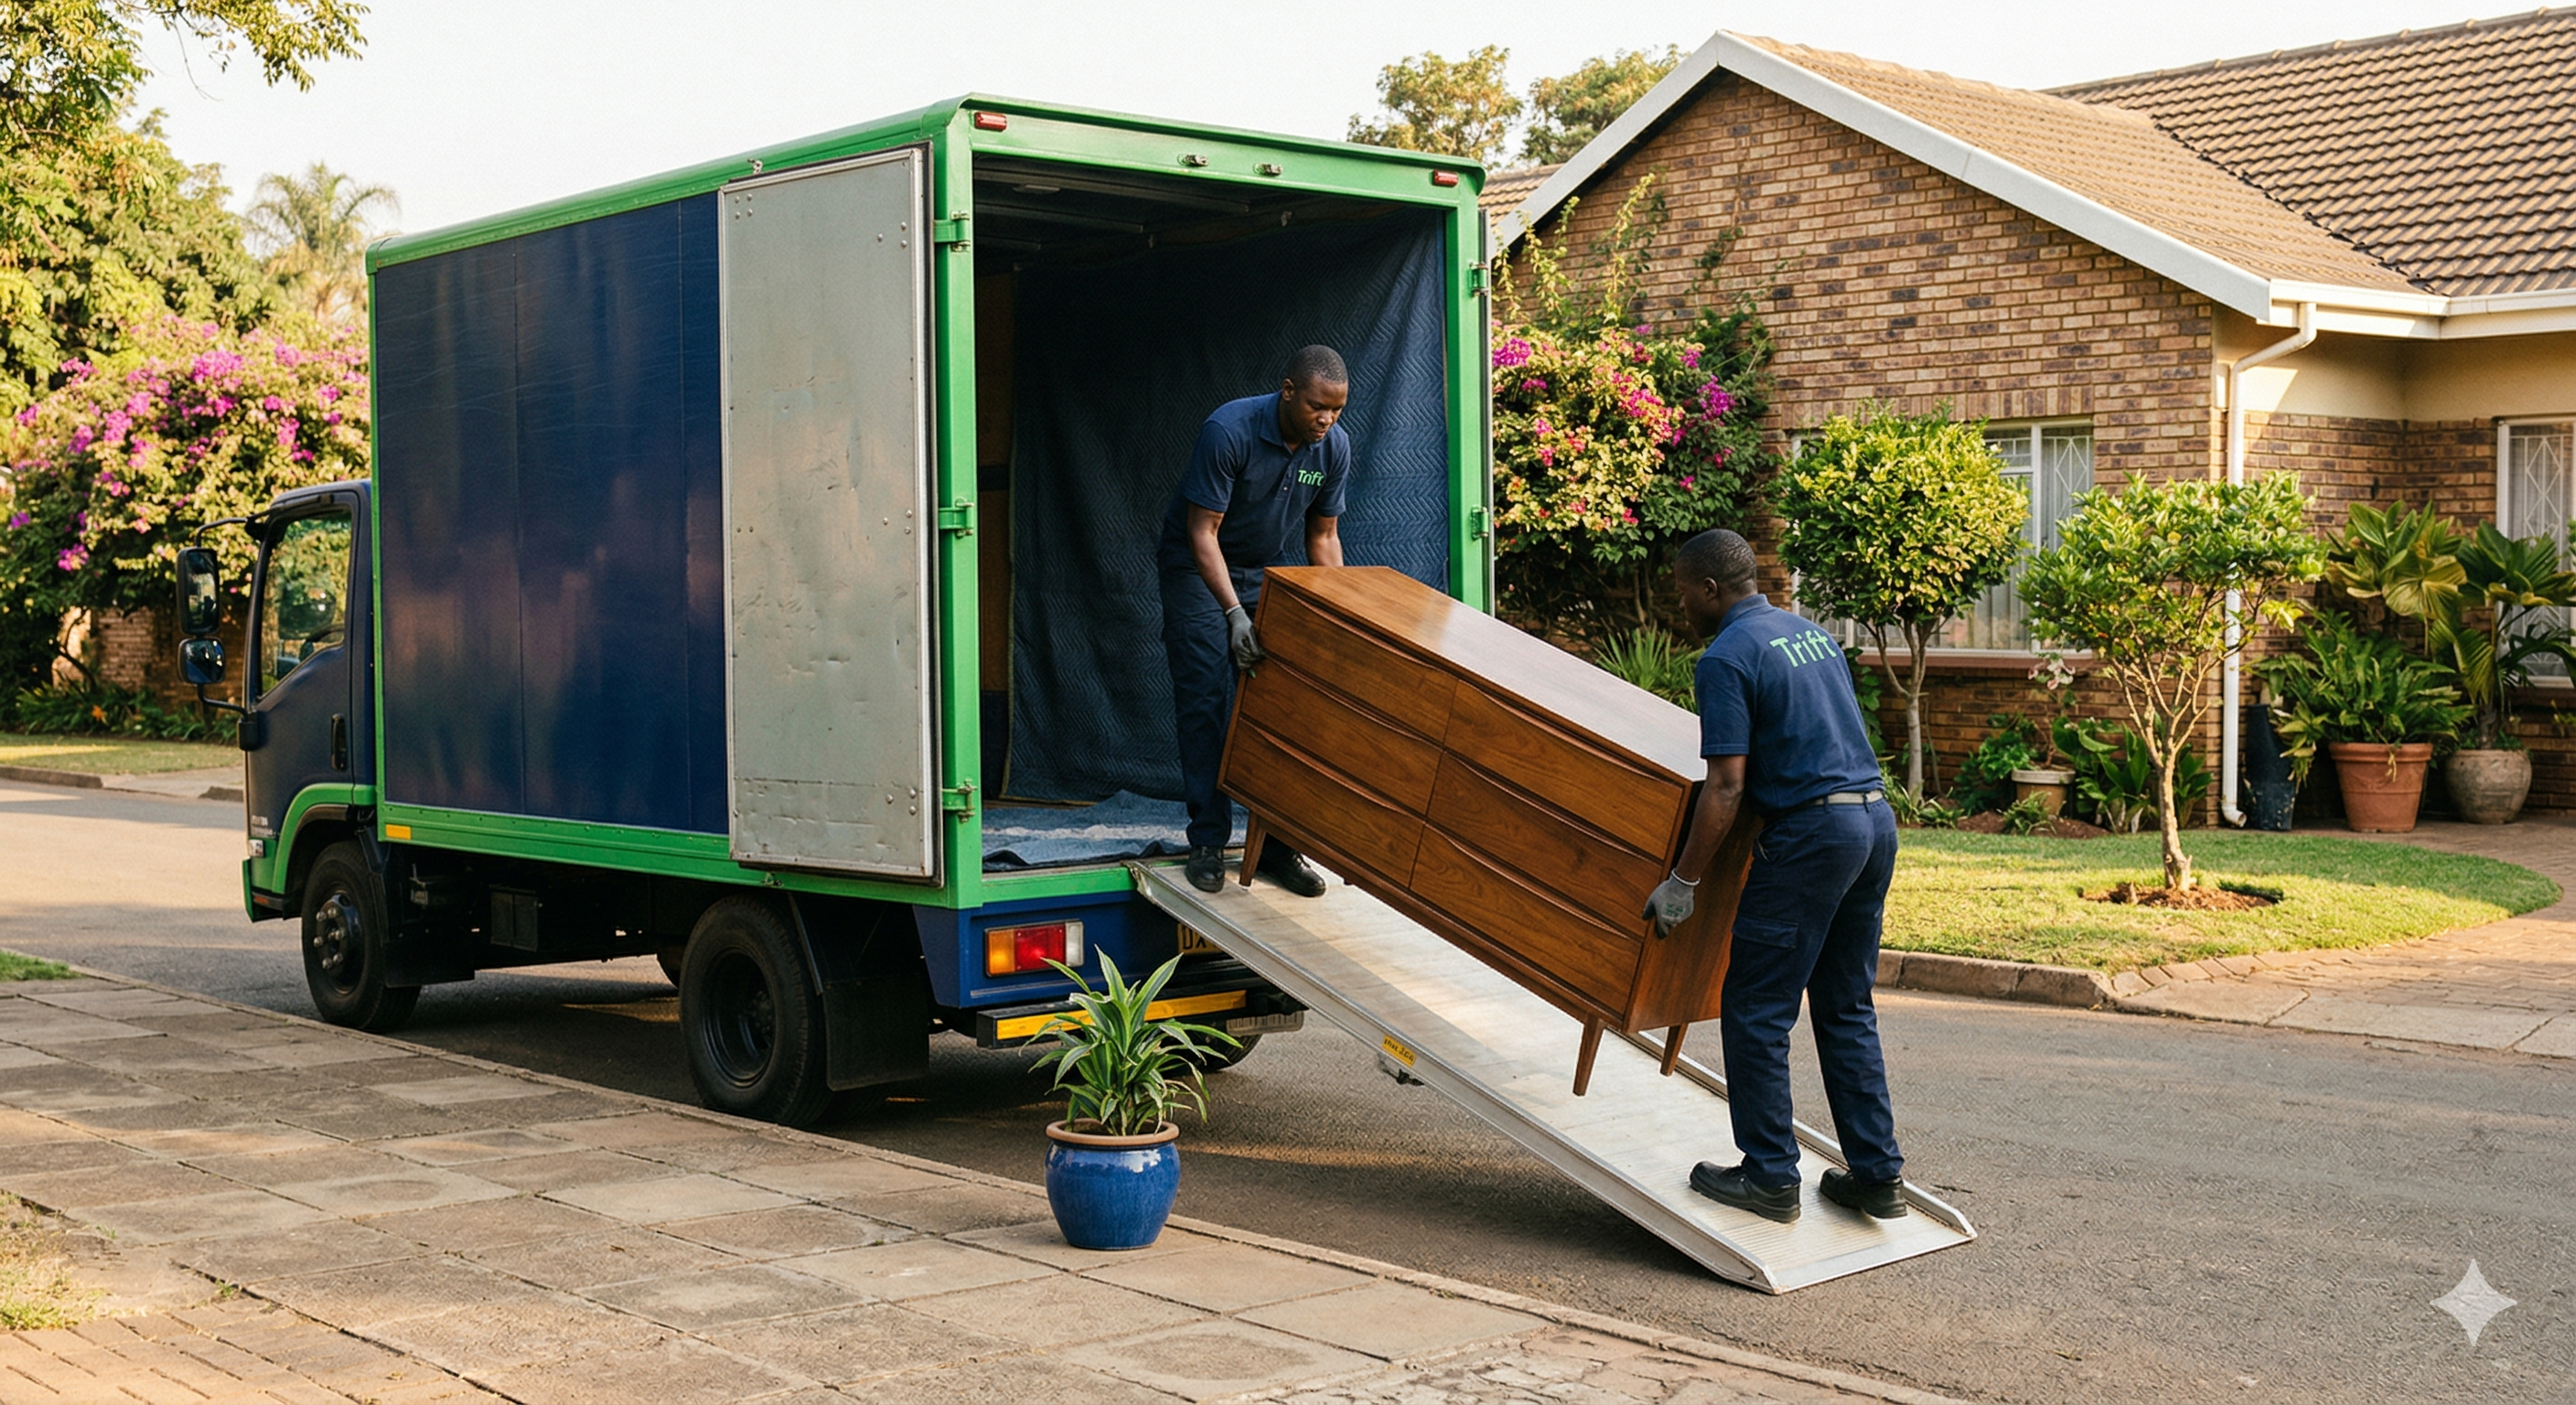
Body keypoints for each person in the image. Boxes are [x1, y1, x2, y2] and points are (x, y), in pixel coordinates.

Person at [1639, 528, 1908, 1224]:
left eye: (1682, 593)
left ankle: (1769, 1177)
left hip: (1815, 836)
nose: (1681, 607)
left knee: (1757, 1008)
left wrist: (1685, 881)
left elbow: (1726, 786)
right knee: (1846, 1006)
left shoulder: (1726, 656)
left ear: (1709, 590)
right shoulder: (1808, 633)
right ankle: (1878, 1177)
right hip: (1874, 822)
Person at [1155, 345, 1350, 896]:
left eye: (1336, 410)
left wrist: (1338, 613)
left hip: (1264, 569)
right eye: (1318, 407)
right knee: (1206, 699)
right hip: (1196, 568)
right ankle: (1209, 842)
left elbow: (1323, 537)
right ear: (1288, 391)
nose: (1326, 420)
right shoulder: (1230, 430)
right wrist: (1235, 614)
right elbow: (1202, 533)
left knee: (1286, 703)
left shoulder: (1332, 447)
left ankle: (1277, 847)